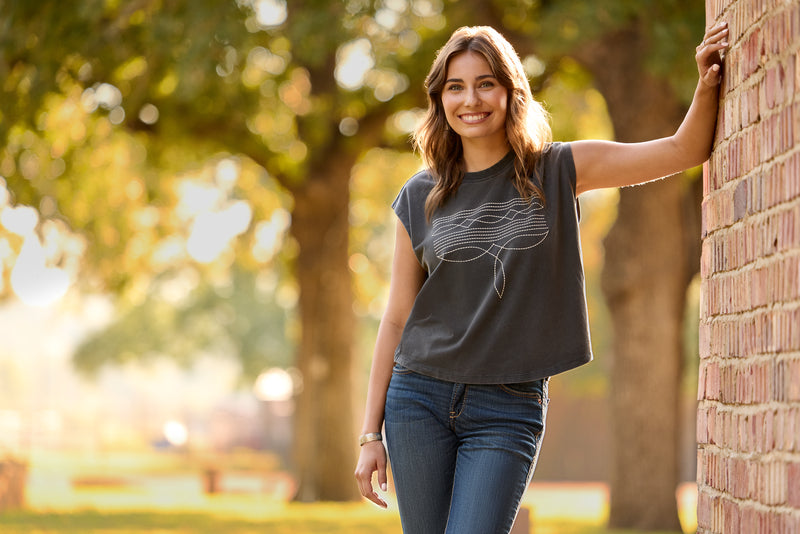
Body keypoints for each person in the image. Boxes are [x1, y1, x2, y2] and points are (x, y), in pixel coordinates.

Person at [354, 22, 728, 534]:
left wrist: (706, 84)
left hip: (505, 407)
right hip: (418, 399)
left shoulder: (558, 169)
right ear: (440, 99)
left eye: (486, 83)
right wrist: (369, 434)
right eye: (455, 87)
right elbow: (396, 317)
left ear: (511, 91)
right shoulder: (419, 196)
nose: (471, 100)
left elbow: (681, 151)